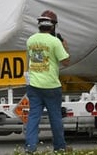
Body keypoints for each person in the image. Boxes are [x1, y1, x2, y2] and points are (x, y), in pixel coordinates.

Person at [25, 10, 70, 153]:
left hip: (34, 85)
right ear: (52, 26)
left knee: (33, 117)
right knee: (55, 118)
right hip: (51, 85)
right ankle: (60, 147)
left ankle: (30, 147)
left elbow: (33, 59)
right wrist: (64, 45)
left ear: (39, 25)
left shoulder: (30, 40)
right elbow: (66, 62)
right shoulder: (55, 41)